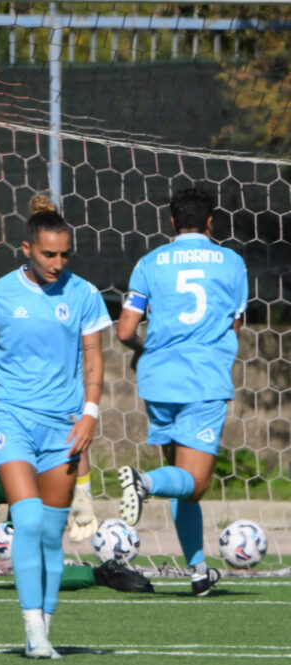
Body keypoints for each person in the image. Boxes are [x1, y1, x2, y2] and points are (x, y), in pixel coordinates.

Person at [0, 194, 111, 659]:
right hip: (12, 420)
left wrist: (90, 414)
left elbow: (95, 360)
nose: (57, 263)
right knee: (27, 518)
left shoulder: (83, 294)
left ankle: (45, 623)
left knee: (49, 534)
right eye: (48, 254)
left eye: (64, 254)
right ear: (26, 248)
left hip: (63, 428)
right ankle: (33, 632)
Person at [116, 186, 248, 597]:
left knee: (181, 479)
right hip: (203, 380)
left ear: (172, 221)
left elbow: (124, 331)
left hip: (157, 380)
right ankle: (144, 482)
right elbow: (235, 325)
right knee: (195, 483)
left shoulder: (149, 263)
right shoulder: (231, 263)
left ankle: (197, 571)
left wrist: (146, 349)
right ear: (211, 222)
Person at [0, 361, 151, 594]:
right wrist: (83, 491)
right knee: (35, 566)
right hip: (58, 473)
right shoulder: (60, 357)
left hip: (13, 469)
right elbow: (75, 432)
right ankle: (104, 573)